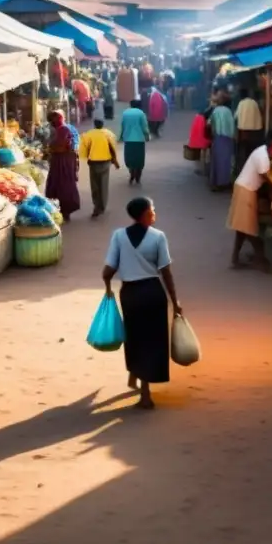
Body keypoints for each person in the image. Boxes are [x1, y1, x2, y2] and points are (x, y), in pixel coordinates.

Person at [102, 197, 182, 409]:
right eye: (152, 210)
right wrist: (176, 302)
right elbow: (166, 272)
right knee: (152, 341)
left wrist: (108, 287)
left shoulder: (118, 236)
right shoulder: (158, 237)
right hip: (153, 293)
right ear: (145, 214)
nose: (154, 213)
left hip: (130, 294)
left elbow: (108, 270)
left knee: (135, 337)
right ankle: (145, 394)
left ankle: (134, 373)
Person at [228, 133, 272, 269]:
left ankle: (235, 258)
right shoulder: (263, 156)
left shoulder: (262, 152)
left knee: (241, 228)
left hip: (246, 188)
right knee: (249, 229)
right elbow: (266, 176)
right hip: (245, 190)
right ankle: (261, 258)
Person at [45, 110, 81, 221]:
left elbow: (62, 146)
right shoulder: (57, 130)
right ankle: (59, 210)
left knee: (64, 185)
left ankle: (65, 211)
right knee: (56, 184)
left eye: (54, 119)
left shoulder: (64, 130)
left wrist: (52, 149)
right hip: (59, 161)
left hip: (64, 162)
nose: (53, 122)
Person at [80, 119, 120, 217]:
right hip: (106, 162)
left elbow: (84, 148)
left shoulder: (89, 134)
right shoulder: (109, 134)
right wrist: (115, 161)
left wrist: (85, 157)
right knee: (103, 184)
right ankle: (102, 206)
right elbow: (113, 147)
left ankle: (96, 205)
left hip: (93, 163)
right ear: (103, 125)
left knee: (94, 185)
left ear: (94, 125)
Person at [208, 94, 236, 191]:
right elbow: (232, 125)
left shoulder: (215, 110)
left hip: (217, 137)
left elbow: (210, 123)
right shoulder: (228, 111)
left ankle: (215, 182)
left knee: (216, 160)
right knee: (226, 161)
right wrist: (233, 136)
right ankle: (224, 182)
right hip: (227, 138)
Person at [119, 99, 150, 185]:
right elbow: (144, 127)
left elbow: (123, 126)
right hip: (139, 140)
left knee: (130, 158)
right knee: (139, 159)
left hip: (128, 139)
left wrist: (121, 137)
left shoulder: (125, 113)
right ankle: (138, 177)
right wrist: (147, 136)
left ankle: (131, 172)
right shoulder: (141, 113)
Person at [234, 88, 264, 173]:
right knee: (252, 150)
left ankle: (243, 169)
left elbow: (236, 116)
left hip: (244, 132)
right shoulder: (254, 102)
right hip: (255, 132)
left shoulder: (241, 103)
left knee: (243, 150)